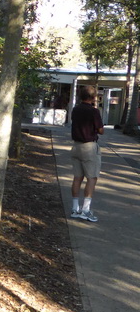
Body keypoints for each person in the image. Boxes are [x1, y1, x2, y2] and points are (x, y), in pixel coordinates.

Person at [70, 84, 104, 223]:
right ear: (93, 97)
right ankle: (85, 210)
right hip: (89, 147)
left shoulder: (75, 109)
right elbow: (101, 130)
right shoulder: (94, 112)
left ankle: (74, 209)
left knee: (77, 177)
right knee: (92, 178)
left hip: (76, 146)